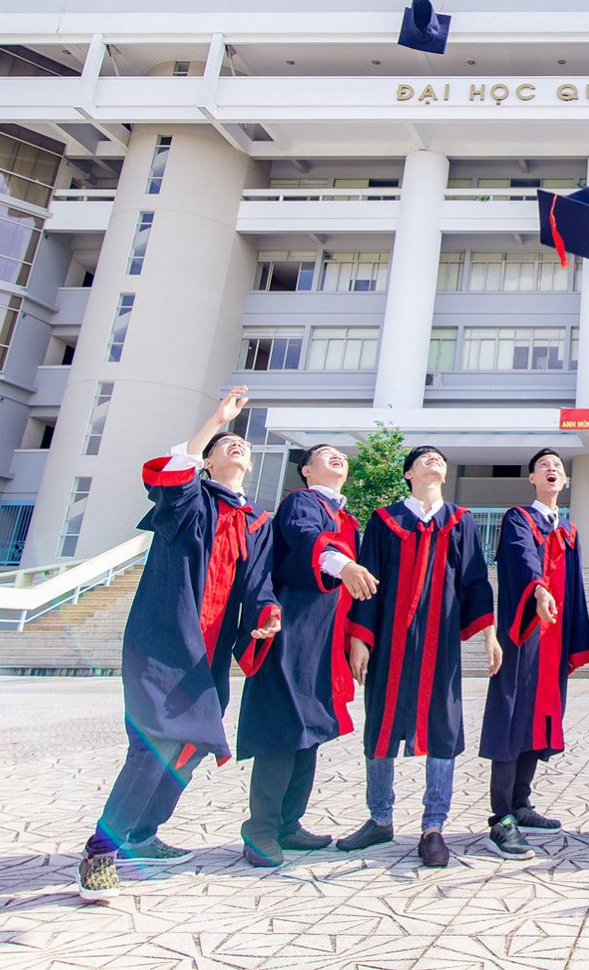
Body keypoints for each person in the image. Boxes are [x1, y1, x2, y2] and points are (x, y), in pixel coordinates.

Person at [77, 387, 282, 902]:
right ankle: (101, 852)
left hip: (208, 654)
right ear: (208, 460)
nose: (236, 447)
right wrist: (216, 419)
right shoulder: (191, 501)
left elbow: (258, 585)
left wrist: (265, 618)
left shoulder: (257, 521)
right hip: (165, 639)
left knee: (190, 748)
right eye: (225, 444)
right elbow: (173, 473)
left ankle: (141, 835)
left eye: (242, 445)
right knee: (157, 745)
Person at [336, 445, 498, 869]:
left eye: (440, 459)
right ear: (408, 473)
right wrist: (360, 638)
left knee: (443, 728)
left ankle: (433, 826)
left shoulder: (459, 522)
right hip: (390, 639)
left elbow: (475, 581)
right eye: (424, 458)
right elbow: (368, 580)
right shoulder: (385, 521)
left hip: (440, 645)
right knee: (381, 725)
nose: (434, 461)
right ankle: (380, 818)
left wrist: (488, 634)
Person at [235, 443, 381, 867]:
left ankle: (288, 824)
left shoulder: (347, 518)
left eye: (341, 454)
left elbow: (354, 594)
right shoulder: (302, 501)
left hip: (324, 638)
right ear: (305, 470)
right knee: (284, 729)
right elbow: (305, 540)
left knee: (310, 732)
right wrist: (346, 566)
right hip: (291, 630)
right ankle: (260, 830)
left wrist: (357, 638)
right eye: (325, 454)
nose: (337, 457)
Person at [478, 448, 589, 860]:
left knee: (539, 718)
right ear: (532, 478)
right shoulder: (518, 518)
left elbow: (577, 584)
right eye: (544, 466)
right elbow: (523, 557)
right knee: (511, 717)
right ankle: (501, 817)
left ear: (564, 483)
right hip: (524, 633)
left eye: (558, 468)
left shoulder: (568, 529)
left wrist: (575, 640)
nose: (552, 470)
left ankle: (522, 803)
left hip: (553, 639)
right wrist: (540, 589)